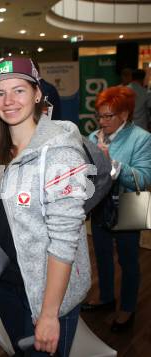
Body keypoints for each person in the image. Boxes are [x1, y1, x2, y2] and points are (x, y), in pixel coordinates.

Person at [0, 57, 91, 356]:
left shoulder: (60, 152)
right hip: (7, 285)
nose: (8, 100)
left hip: (46, 294)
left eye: (19, 90)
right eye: (0, 93)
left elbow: (65, 240)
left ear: (37, 93)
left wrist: (49, 314)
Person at [83, 86, 151, 332]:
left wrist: (110, 163)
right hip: (102, 204)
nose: (102, 121)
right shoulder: (92, 137)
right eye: (99, 116)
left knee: (129, 259)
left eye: (108, 116)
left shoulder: (142, 138)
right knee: (101, 255)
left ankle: (128, 308)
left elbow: (142, 180)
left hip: (130, 204)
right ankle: (107, 298)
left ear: (124, 114)